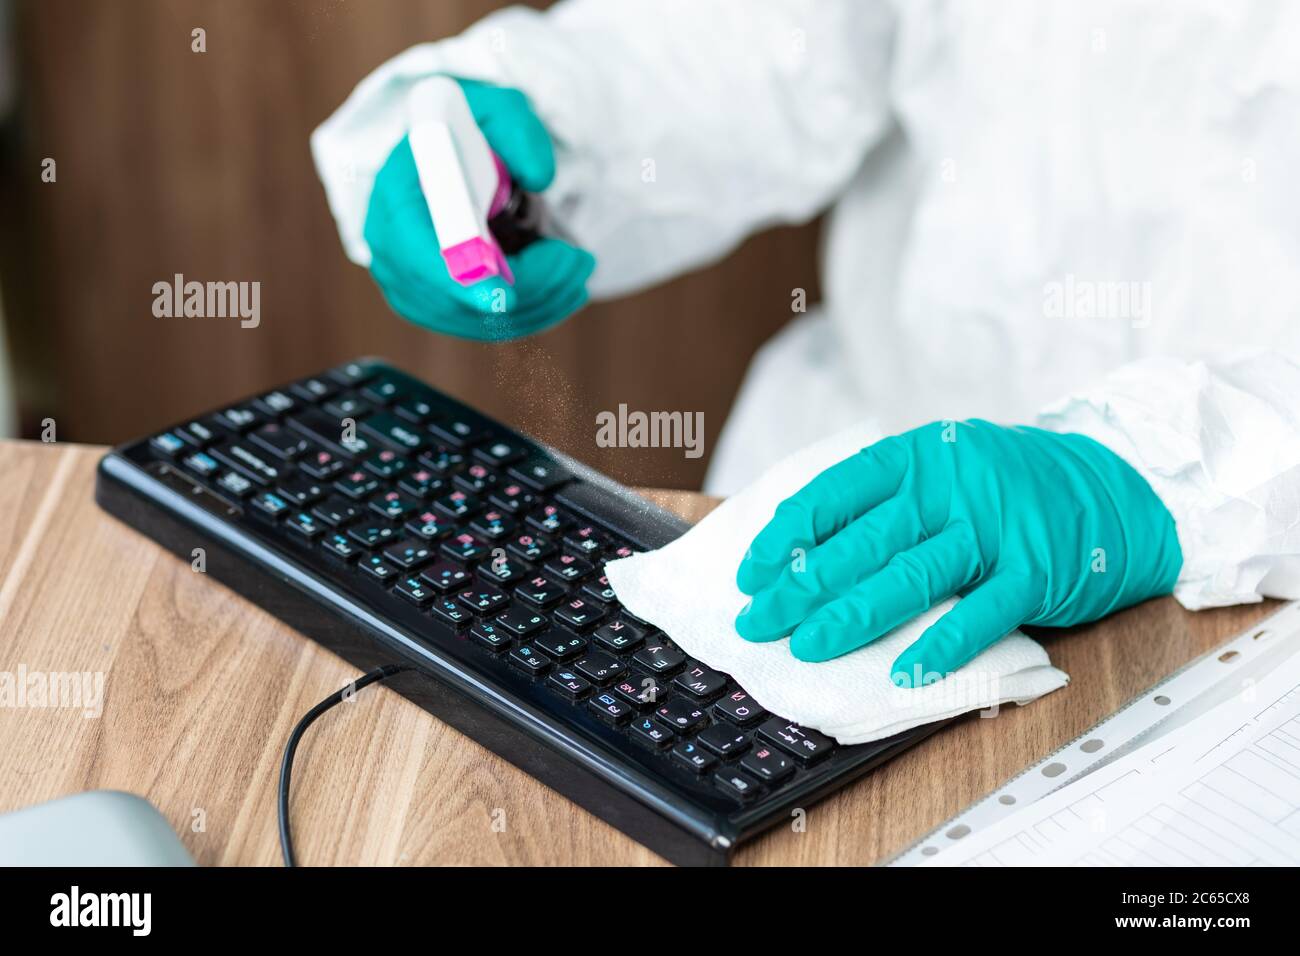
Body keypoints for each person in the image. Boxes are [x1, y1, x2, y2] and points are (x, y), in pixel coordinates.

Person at [312, 0, 1300, 685]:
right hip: (864, 489)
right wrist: (527, 138)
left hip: (1253, 598)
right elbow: (759, 44)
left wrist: (1150, 482)